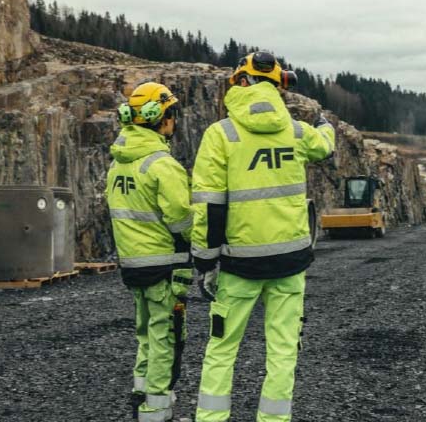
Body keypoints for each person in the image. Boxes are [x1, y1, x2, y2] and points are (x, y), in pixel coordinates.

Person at [191, 52, 335, 422]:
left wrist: (205, 262)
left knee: (222, 349)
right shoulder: (296, 131)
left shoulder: (221, 134)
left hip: (239, 266)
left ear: (241, 82)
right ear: (277, 85)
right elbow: (325, 145)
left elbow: (208, 206)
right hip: (290, 263)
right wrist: (325, 124)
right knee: (283, 351)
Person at [106, 82, 194, 422]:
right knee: (166, 338)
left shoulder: (119, 164)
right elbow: (181, 219)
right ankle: (156, 412)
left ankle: (141, 395)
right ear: (162, 118)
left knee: (145, 334)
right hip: (163, 266)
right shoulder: (161, 165)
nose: (175, 120)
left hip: (133, 265)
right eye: (172, 114)